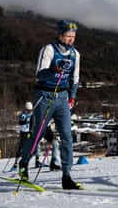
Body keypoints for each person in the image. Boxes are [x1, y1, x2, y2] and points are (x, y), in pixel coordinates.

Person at [19, 19, 82, 190]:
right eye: (68, 36)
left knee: (67, 136)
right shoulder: (48, 50)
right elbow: (40, 75)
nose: (71, 40)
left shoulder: (75, 54)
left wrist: (72, 97)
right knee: (38, 134)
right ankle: (24, 164)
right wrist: (54, 69)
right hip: (45, 96)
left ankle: (67, 175)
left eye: (73, 37)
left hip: (62, 97)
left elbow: (75, 78)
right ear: (60, 35)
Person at [11, 102, 61, 171]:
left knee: (55, 142)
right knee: (26, 147)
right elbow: (22, 122)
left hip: (46, 129)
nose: (29, 111)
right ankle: (19, 164)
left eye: (30, 110)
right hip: (29, 132)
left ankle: (53, 163)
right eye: (28, 110)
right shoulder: (25, 114)